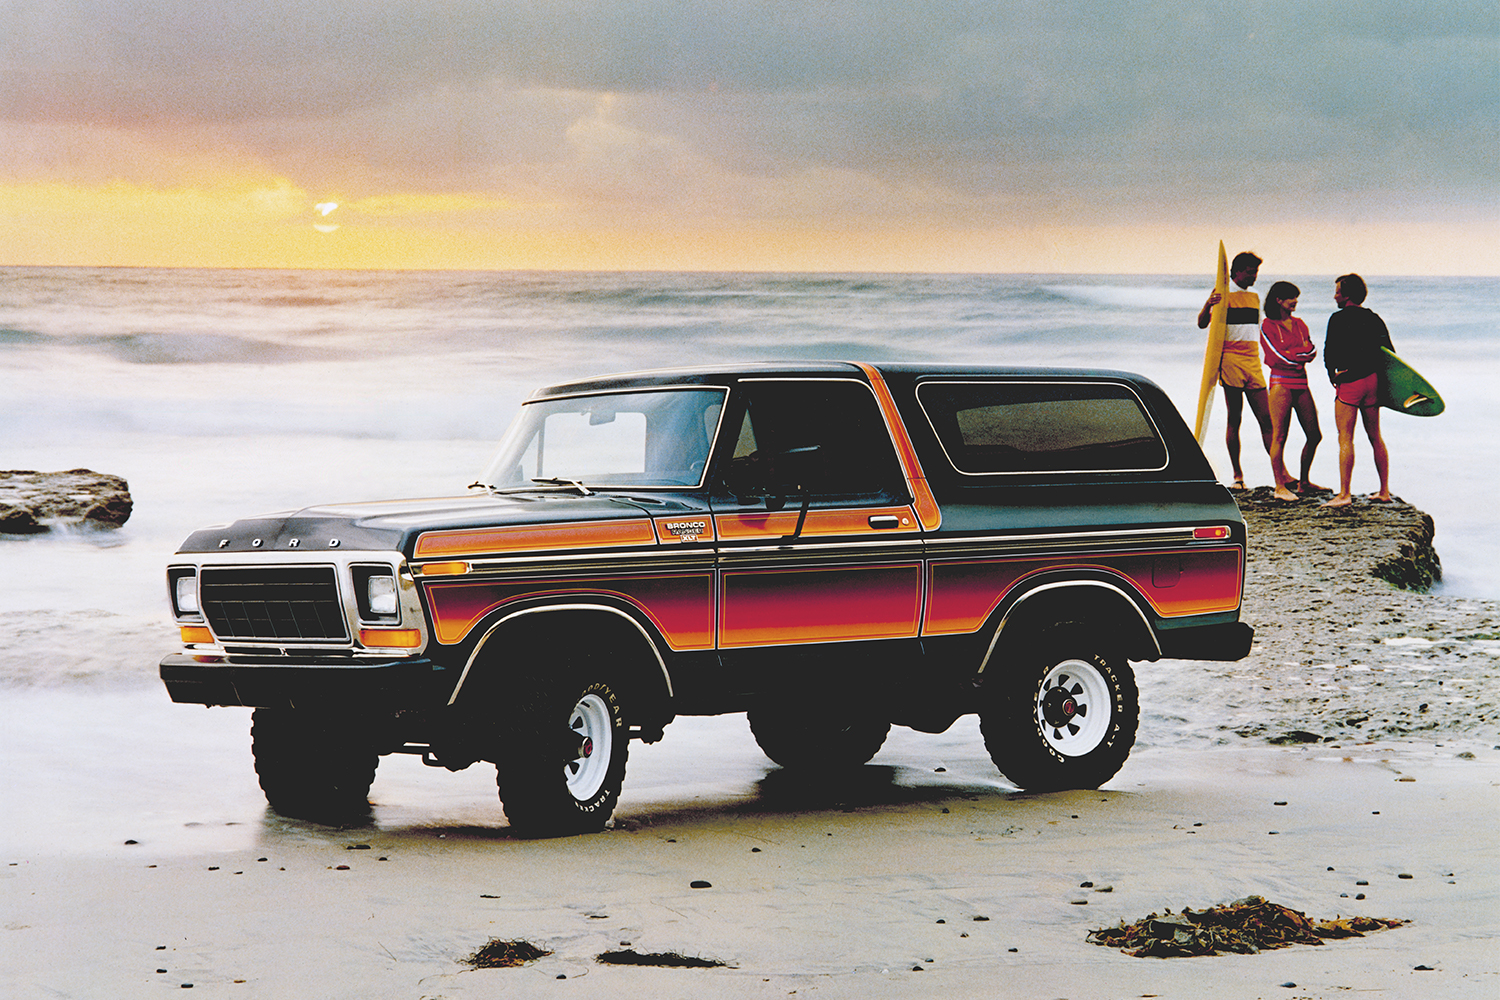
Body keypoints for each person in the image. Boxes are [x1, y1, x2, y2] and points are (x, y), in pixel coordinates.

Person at [1198, 251, 1272, 489]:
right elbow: (1202, 323)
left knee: (1267, 420)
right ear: (1238, 271)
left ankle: (1279, 472)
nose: (1254, 276)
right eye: (1251, 272)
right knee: (1235, 418)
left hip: (1253, 360)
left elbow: (1257, 330)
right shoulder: (1223, 294)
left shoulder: (1255, 297)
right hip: (1230, 359)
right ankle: (1238, 475)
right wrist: (1208, 304)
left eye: (1256, 272)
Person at [1321, 273, 1392, 507]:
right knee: (1375, 437)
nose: (1335, 296)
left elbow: (1329, 351)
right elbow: (1389, 352)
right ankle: (1384, 491)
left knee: (1345, 438)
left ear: (1347, 295)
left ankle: (1344, 494)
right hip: (1372, 382)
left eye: (1338, 292)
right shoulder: (1374, 318)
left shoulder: (1338, 319)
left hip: (1350, 383)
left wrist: (1333, 374)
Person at [1258, 281, 1324, 501]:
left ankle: (1304, 482)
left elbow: (1312, 351)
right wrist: (1297, 354)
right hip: (1280, 384)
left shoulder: (1299, 323)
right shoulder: (1268, 325)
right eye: (1291, 298)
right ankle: (1280, 486)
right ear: (1279, 300)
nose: (1295, 302)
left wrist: (1295, 354)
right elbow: (1277, 356)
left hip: (1301, 383)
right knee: (1280, 436)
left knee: (1314, 435)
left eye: (1296, 297)